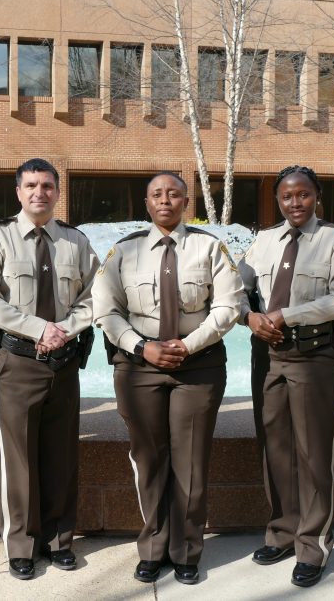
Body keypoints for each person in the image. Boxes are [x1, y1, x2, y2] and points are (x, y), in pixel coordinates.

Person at [92, 171, 244, 585]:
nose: (165, 200)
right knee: (149, 458)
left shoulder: (210, 247)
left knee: (191, 461)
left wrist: (187, 345)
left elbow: (229, 306)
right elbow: (106, 310)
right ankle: (154, 546)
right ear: (147, 203)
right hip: (139, 368)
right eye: (157, 194)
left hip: (198, 366)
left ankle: (187, 550)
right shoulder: (123, 252)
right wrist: (144, 347)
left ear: (186, 201)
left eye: (173, 194)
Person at [0, 158, 98, 581]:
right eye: (31, 186)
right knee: (20, 459)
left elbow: (96, 295)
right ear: (18, 192)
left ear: (57, 192)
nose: (39, 193)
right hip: (19, 361)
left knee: (62, 455)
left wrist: (65, 329)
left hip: (64, 362)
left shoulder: (75, 242)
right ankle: (22, 545)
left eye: (47, 185)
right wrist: (38, 328)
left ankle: (60, 541)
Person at [237, 165, 334, 588]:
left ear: (316, 196)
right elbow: (236, 287)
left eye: (303, 194)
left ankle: (313, 544)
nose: (295, 203)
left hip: (313, 357)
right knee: (276, 449)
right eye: (287, 196)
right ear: (278, 199)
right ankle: (283, 531)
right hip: (267, 358)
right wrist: (248, 317)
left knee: (313, 453)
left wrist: (285, 314)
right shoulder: (263, 241)